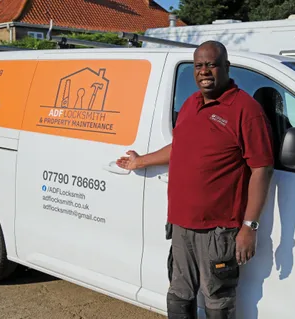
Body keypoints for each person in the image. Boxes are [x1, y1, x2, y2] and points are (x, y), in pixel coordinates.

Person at [116, 41, 274, 319]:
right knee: (179, 293)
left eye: (211, 64)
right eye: (199, 65)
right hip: (180, 225)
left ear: (226, 66)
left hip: (217, 230)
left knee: (217, 300)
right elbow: (179, 147)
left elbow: (262, 169)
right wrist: (140, 161)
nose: (204, 71)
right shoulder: (190, 103)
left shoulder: (245, 110)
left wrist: (250, 226)